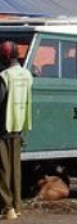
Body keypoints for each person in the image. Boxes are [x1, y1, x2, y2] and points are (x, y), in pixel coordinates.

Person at [0, 41, 33, 221]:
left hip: (3, 128)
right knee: (15, 170)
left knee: (2, 171)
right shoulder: (26, 74)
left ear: (4, 57)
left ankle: (7, 208)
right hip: (18, 126)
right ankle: (17, 206)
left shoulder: (5, 76)